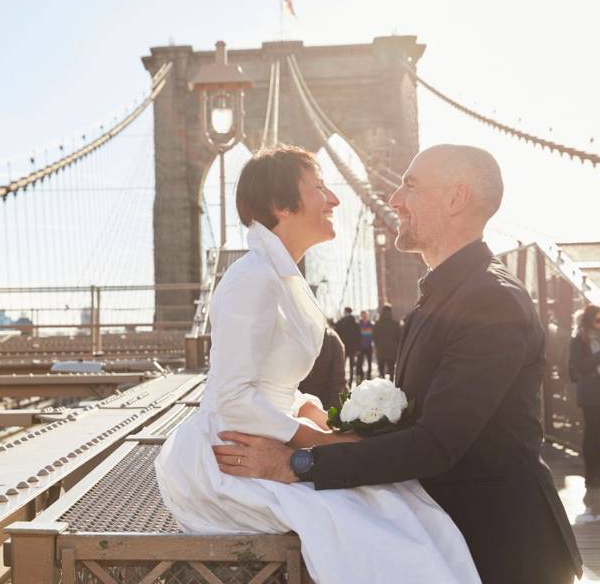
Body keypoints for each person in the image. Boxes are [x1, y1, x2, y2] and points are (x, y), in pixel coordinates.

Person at [214, 144, 581, 584]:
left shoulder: (490, 299)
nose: (392, 200)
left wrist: (298, 463)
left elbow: (436, 443)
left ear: (455, 199)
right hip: (449, 539)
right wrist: (330, 427)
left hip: (502, 549)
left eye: (409, 186)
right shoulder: (442, 295)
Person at [156, 145, 481, 584]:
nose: (334, 199)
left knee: (401, 506)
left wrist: (307, 406)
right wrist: (317, 439)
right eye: (321, 188)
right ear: (281, 205)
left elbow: (271, 378)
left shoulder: (281, 275)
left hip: (261, 438)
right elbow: (233, 398)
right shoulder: (253, 279)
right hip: (232, 459)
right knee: (386, 530)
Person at [569, 304, 600, 487]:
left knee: (597, 435)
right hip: (590, 393)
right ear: (590, 320)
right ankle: (591, 475)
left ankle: (598, 472)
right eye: (598, 320)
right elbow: (581, 365)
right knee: (592, 434)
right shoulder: (580, 339)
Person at [299, 326, 347, 409]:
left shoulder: (332, 340)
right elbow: (338, 385)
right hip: (318, 411)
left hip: (296, 410)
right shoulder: (332, 339)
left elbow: (337, 385)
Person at [373, 303, 402, 380]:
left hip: (380, 351)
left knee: (381, 371)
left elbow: (373, 337)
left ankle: (383, 386)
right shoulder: (395, 323)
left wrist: (377, 346)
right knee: (391, 370)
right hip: (392, 351)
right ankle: (391, 386)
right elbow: (400, 337)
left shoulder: (377, 324)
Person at [334, 307, 361, 383]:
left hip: (343, 348)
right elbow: (358, 336)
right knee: (351, 366)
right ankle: (350, 382)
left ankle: (342, 382)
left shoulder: (340, 323)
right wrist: (358, 349)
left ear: (345, 312)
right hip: (353, 348)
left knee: (342, 366)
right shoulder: (355, 323)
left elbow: (336, 335)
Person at [357, 310, 374, 380]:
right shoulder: (358, 325)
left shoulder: (372, 324)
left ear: (367, 316)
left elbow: (374, 336)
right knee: (360, 363)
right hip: (360, 347)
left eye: (365, 315)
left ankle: (369, 377)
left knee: (369, 363)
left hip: (369, 346)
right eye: (362, 315)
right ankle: (361, 376)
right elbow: (356, 336)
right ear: (361, 316)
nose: (364, 317)